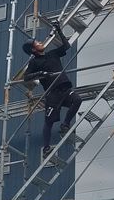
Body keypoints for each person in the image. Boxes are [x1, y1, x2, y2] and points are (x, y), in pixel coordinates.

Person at [23, 23, 82, 159]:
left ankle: (65, 124)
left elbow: (66, 46)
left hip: (64, 88)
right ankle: (46, 148)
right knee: (49, 121)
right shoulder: (34, 62)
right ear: (33, 49)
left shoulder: (52, 54)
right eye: (37, 43)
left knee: (77, 99)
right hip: (52, 93)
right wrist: (41, 73)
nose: (40, 42)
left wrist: (60, 31)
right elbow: (26, 77)